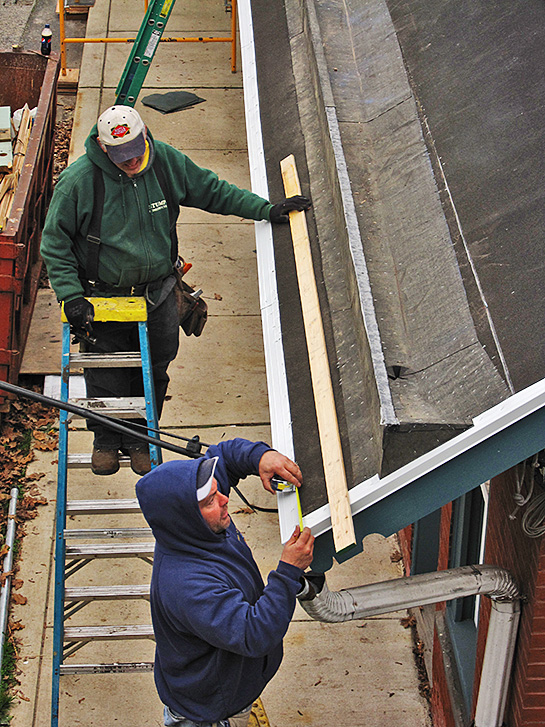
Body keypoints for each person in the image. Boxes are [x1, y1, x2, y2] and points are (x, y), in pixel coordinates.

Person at [40, 106, 311, 476]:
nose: (133, 160)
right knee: (107, 371)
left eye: (137, 150)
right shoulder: (79, 183)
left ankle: (141, 437)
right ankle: (106, 437)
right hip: (104, 296)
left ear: (145, 134)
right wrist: (71, 296)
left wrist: (264, 209)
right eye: (122, 156)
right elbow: (54, 242)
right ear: (104, 149)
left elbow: (212, 191)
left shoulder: (164, 162)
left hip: (158, 292)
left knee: (155, 366)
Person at [135, 438, 315, 727]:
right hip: (210, 714)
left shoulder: (194, 525)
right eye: (210, 501)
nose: (224, 500)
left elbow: (224, 456)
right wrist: (288, 572)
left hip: (231, 688)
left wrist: (261, 457)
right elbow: (253, 633)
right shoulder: (188, 585)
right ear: (187, 518)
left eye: (217, 492)